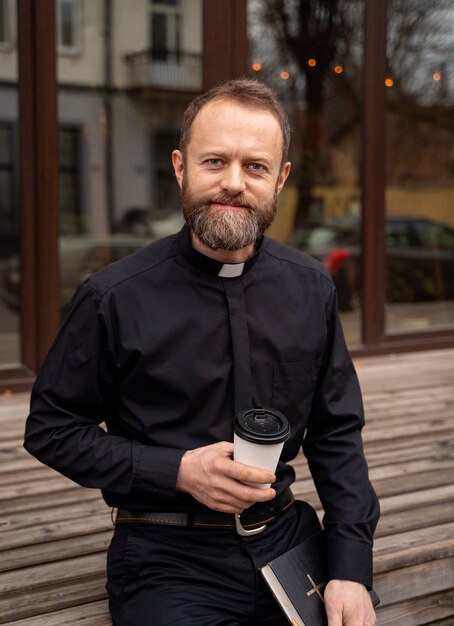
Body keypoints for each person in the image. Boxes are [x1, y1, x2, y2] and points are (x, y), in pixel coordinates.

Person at [24, 78, 379, 626]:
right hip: (165, 556)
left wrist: (352, 566)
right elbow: (51, 429)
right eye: (215, 161)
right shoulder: (113, 297)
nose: (234, 183)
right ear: (180, 167)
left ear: (280, 178)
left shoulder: (312, 288)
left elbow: (336, 435)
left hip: (288, 539)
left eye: (256, 166)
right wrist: (177, 471)